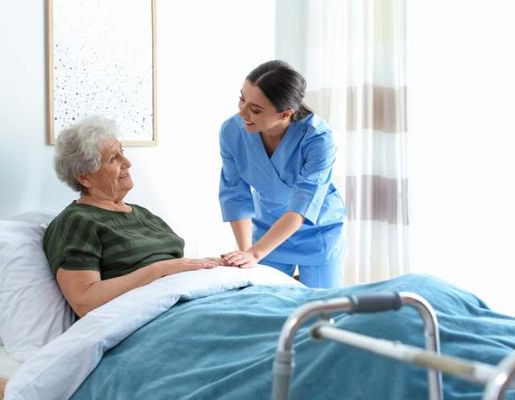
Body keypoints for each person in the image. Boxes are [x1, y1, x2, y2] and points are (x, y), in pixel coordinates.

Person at [43, 116, 226, 317]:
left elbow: (175, 266)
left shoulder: (144, 215)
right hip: (154, 319)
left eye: (122, 152)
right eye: (113, 158)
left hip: (191, 302)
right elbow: (85, 301)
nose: (127, 162)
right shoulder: (76, 222)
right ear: (84, 177)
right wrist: (160, 270)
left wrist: (210, 266)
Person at [218, 60, 346, 288]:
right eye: (242, 99)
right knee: (264, 303)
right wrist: (246, 253)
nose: (242, 112)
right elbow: (235, 195)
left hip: (318, 232)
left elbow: (302, 205)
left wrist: (255, 254)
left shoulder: (318, 138)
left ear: (284, 114)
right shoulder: (231, 131)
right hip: (268, 228)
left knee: (321, 308)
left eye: (255, 109)